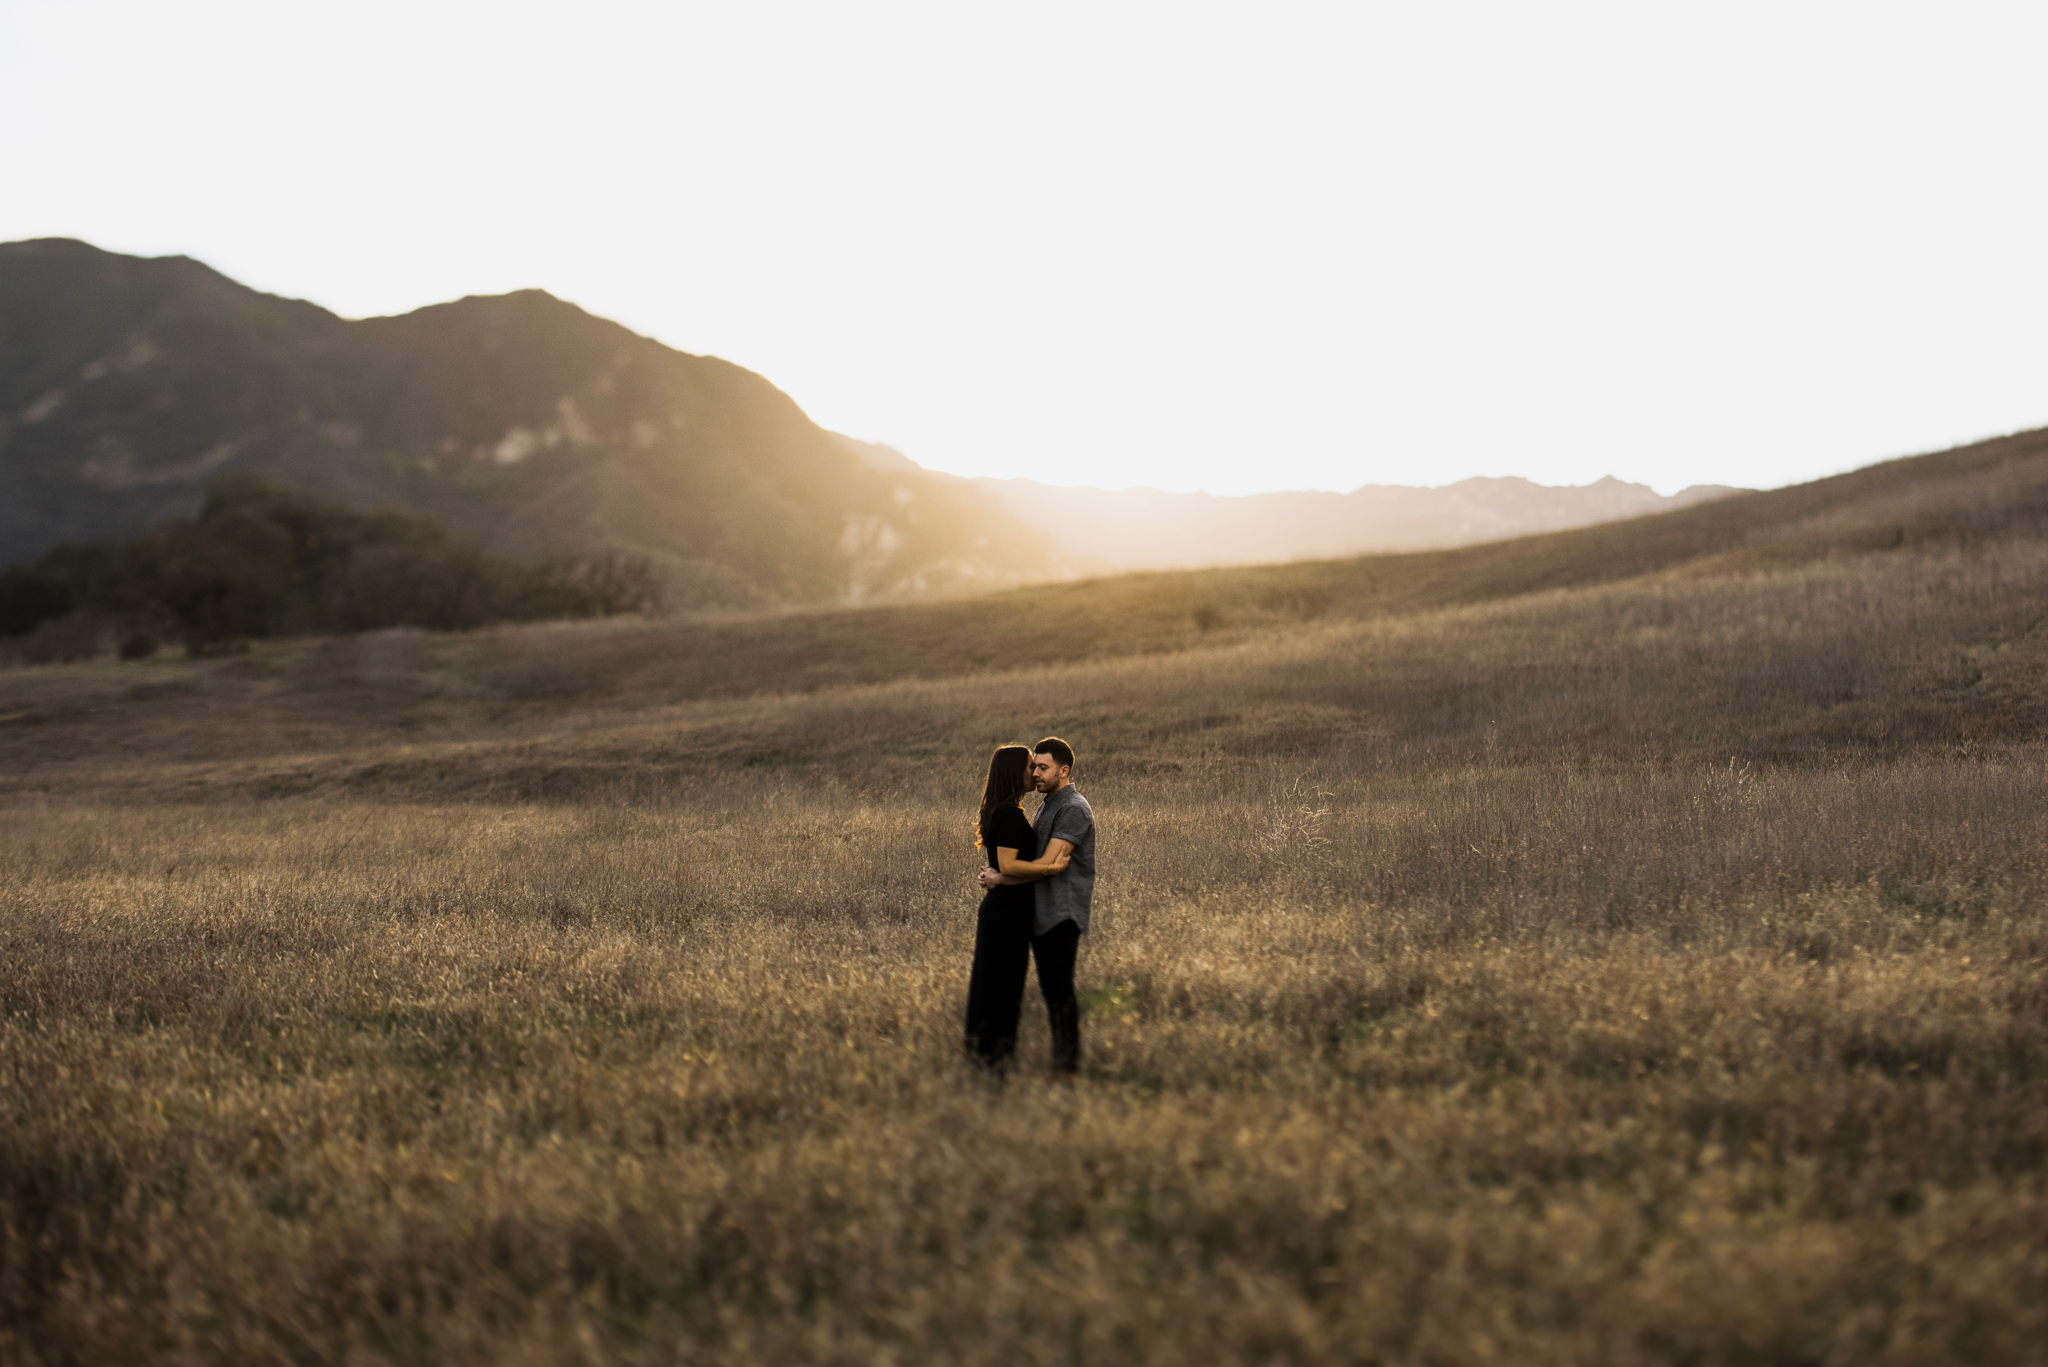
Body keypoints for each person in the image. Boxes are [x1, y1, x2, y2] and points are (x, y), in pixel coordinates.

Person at [974, 736, 1095, 1075]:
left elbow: (1049, 864)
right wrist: (1003, 877)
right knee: (1047, 990)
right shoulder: (1046, 804)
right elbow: (1035, 865)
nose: (1037, 773)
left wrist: (1002, 878)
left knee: (1059, 989)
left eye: (1043, 767)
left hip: (1062, 911)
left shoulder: (1073, 808)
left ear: (1064, 770)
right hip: (1040, 911)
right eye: (1034, 767)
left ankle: (1067, 1065)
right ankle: (1050, 1060)